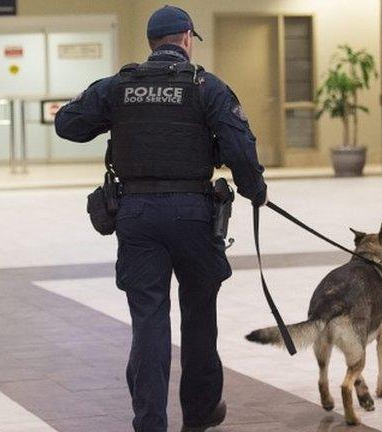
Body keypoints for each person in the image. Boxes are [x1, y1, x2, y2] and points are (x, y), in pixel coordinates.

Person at [55, 5, 267, 432]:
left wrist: (104, 104)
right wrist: (255, 191)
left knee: (149, 321)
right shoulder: (208, 86)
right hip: (194, 216)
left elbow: (67, 124)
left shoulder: (120, 86)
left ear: (152, 42)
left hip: (136, 217)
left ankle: (150, 422)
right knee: (198, 317)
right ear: (187, 38)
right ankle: (200, 414)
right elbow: (241, 152)